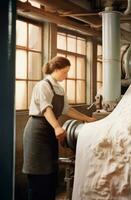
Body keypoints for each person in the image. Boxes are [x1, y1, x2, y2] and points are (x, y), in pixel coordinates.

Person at [22, 56, 96, 200]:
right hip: (37, 131)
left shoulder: (59, 88)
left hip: (50, 131)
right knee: (38, 175)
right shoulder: (42, 86)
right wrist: (57, 127)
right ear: (55, 69)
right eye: (64, 72)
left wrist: (88, 119)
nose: (66, 76)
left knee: (50, 173)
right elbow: (45, 108)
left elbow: (67, 109)